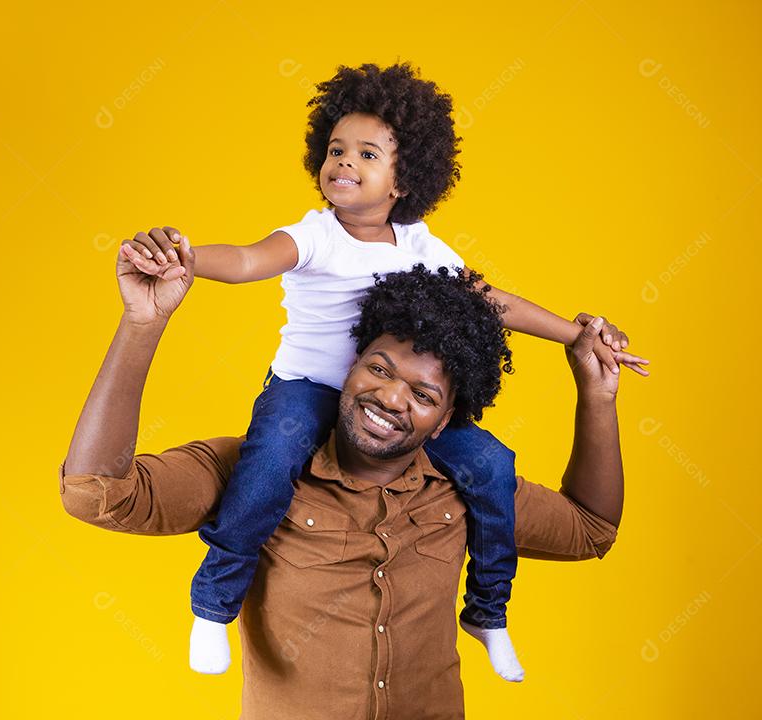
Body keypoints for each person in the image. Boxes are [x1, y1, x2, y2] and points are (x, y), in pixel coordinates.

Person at [117, 62, 648, 679]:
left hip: (395, 403)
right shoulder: (314, 236)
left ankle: (487, 609)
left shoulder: (423, 247)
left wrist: (577, 334)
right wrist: (183, 258)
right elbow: (242, 260)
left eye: (367, 154)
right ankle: (214, 602)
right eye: (336, 149)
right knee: (268, 466)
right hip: (309, 392)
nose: (344, 162)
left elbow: (490, 300)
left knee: (492, 465)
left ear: (404, 180)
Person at [61, 238, 634, 718]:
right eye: (378, 368)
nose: (389, 395)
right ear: (347, 367)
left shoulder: (473, 491)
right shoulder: (253, 472)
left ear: (444, 423)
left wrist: (596, 394)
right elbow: (96, 495)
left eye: (423, 394)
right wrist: (144, 322)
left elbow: (590, 529)